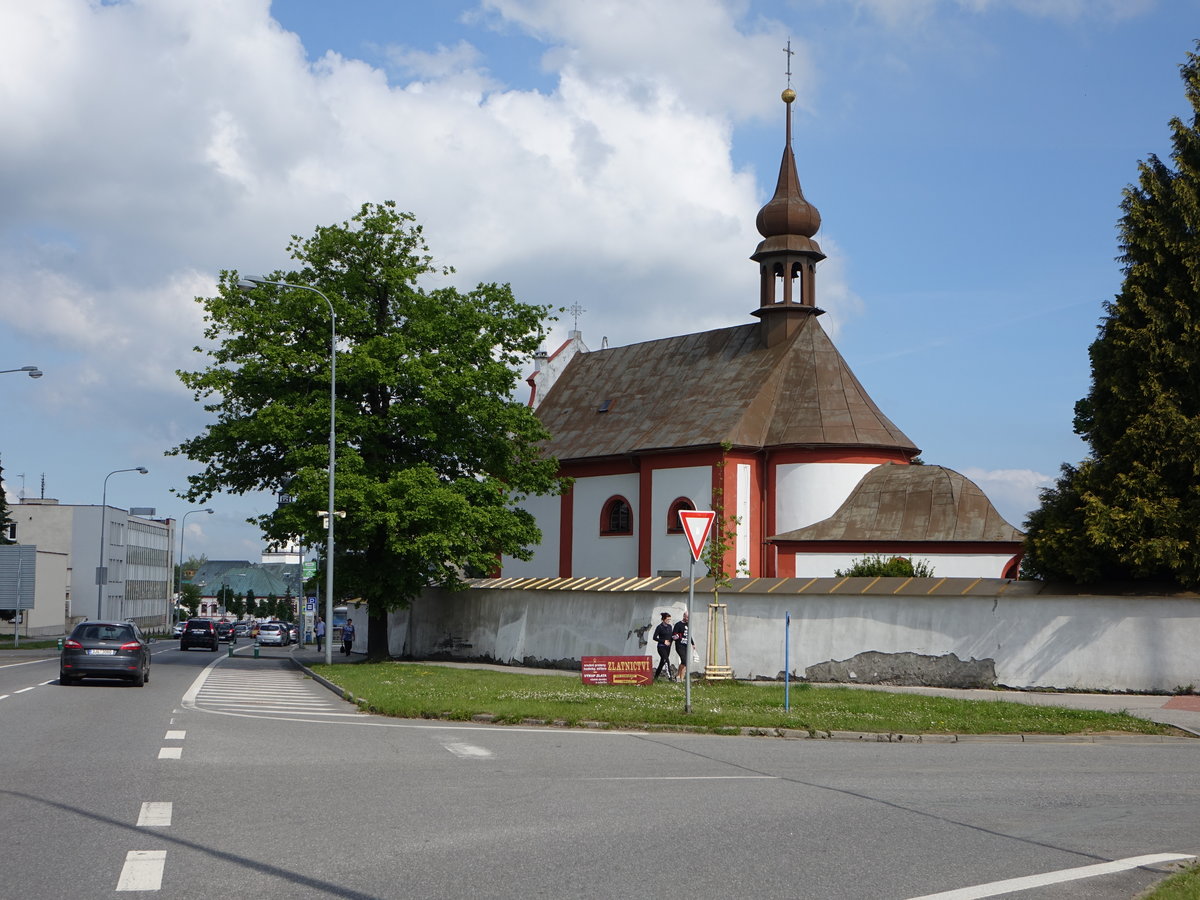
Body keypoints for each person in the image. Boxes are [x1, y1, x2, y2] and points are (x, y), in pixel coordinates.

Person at [652, 612, 674, 681]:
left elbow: (670, 636)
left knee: (662, 662)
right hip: (661, 647)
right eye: (667, 619)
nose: (669, 621)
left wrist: (674, 638)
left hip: (668, 647)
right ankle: (670, 678)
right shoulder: (659, 627)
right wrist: (663, 641)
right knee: (667, 660)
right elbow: (654, 637)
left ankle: (655, 678)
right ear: (663, 619)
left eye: (669, 620)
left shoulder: (670, 627)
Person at [672, 611, 693, 681]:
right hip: (679, 645)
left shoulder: (688, 624)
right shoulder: (678, 624)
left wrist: (692, 643)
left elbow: (689, 635)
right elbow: (674, 635)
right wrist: (679, 636)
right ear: (684, 616)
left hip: (686, 645)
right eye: (687, 617)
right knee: (684, 660)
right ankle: (678, 675)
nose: (688, 619)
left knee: (685, 662)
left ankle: (681, 678)